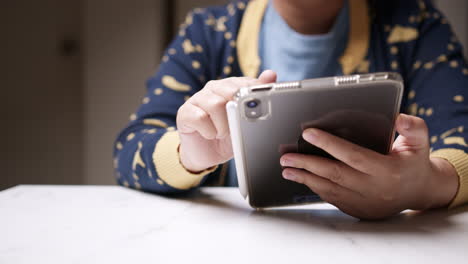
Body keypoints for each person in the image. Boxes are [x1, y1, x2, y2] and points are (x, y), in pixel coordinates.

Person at [113, 0, 468, 219]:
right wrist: (188, 153)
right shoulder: (206, 33)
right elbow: (129, 149)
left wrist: (424, 184)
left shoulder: (416, 25)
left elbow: (462, 134)